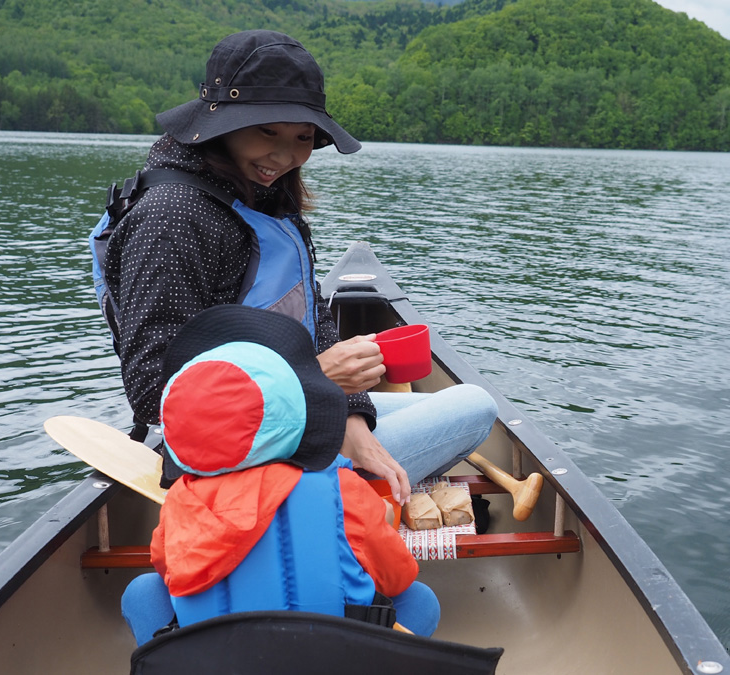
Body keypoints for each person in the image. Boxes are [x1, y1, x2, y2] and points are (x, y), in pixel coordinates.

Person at [92, 29, 497, 504]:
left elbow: (313, 321)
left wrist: (349, 417)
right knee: (474, 410)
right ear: (219, 124)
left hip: (293, 417)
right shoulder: (173, 216)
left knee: (462, 403)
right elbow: (155, 393)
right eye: (267, 131)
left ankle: (351, 476)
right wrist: (318, 377)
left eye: (303, 137)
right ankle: (341, 498)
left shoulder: (258, 198)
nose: (285, 157)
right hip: (228, 459)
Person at [122, 305, 439, 645]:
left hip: (217, 662)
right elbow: (396, 576)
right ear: (295, 407)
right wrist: (382, 521)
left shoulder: (180, 500)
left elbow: (166, 567)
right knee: (419, 599)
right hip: (334, 660)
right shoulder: (341, 487)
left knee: (143, 591)